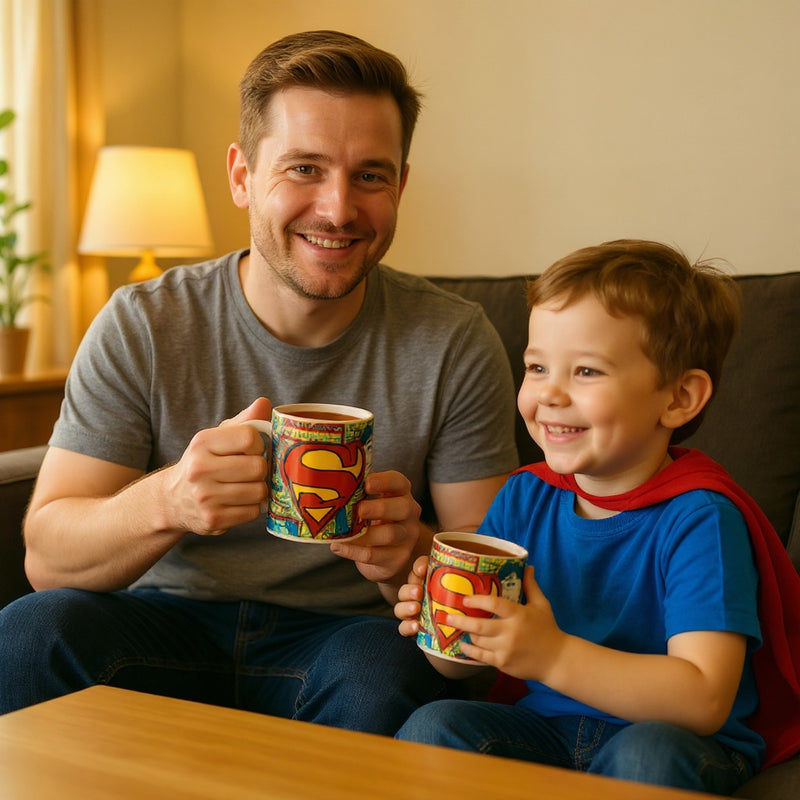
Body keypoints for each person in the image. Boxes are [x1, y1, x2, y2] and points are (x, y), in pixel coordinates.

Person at [0, 30, 519, 733]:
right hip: (158, 622)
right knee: (31, 631)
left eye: (370, 174)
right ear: (242, 175)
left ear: (400, 184)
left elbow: (487, 610)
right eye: (304, 168)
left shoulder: (453, 340)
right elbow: (46, 557)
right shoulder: (145, 322)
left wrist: (410, 554)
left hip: (341, 637)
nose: (338, 209)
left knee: (386, 674)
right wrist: (171, 499)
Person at [394, 239, 800, 794]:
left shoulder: (701, 519)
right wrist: (443, 629)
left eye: (586, 371)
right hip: (545, 730)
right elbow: (460, 667)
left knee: (647, 754)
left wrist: (553, 655)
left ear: (679, 397)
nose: (550, 394)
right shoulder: (523, 497)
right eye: (537, 367)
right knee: (435, 726)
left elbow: (703, 698)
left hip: (676, 740)